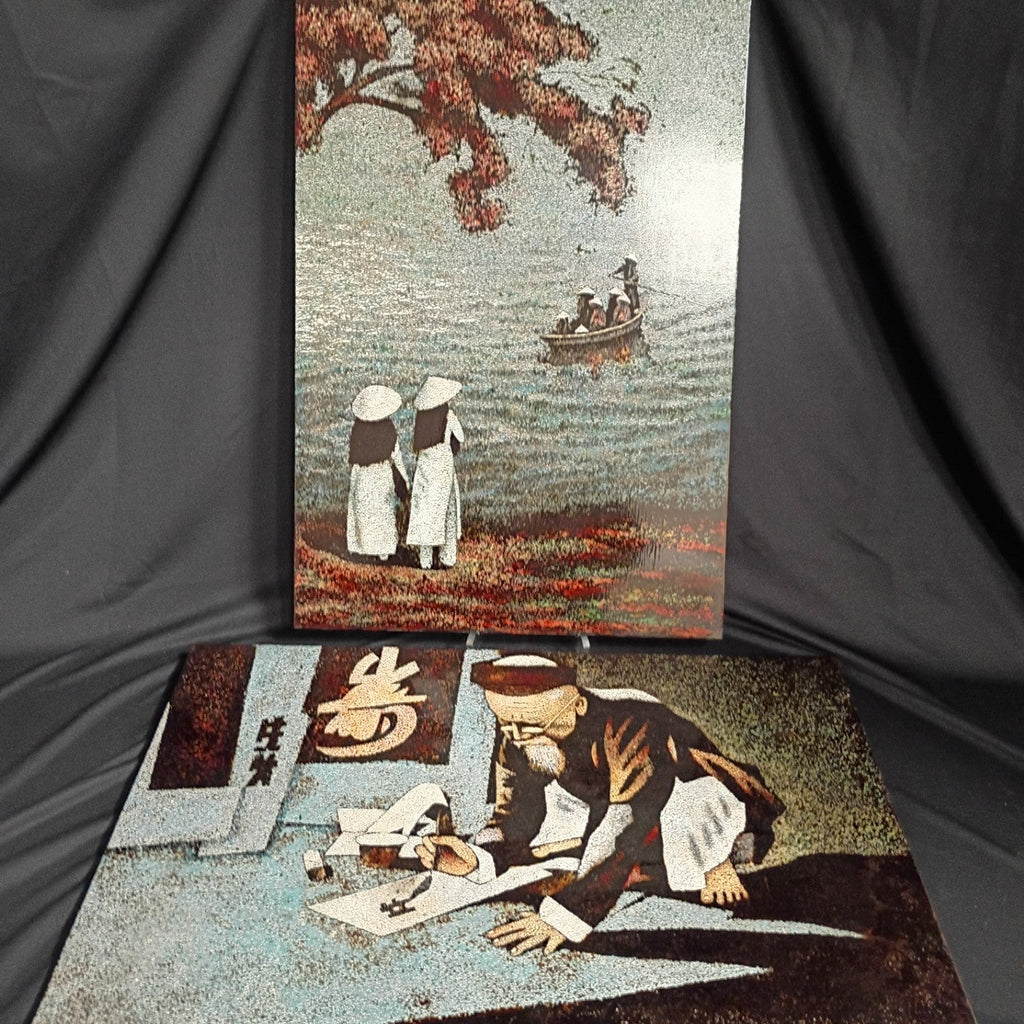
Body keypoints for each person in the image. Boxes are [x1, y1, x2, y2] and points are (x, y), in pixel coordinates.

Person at [416, 654, 784, 956]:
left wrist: (565, 916)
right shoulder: (519, 733)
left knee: (682, 813)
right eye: (507, 725)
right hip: (606, 803)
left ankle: (718, 861)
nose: (518, 738)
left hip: (695, 803)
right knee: (557, 842)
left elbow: (627, 824)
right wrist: (478, 857)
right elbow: (514, 816)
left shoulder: (629, 725)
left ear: (576, 705)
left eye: (530, 727)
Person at [406, 376, 464, 570]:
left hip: (425, 463)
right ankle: (447, 557)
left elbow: (417, 444)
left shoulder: (421, 420)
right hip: (443, 463)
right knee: (447, 509)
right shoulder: (448, 416)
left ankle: (425, 560)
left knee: (425, 509)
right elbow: (460, 436)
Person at [346, 384, 409, 561]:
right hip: (381, 473)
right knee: (382, 512)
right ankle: (383, 553)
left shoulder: (358, 430)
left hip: (361, 474)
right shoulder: (388, 428)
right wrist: (405, 480)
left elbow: (353, 458)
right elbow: (397, 457)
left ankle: (361, 549)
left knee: (362, 511)